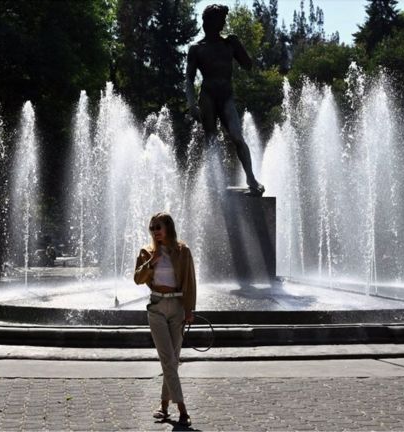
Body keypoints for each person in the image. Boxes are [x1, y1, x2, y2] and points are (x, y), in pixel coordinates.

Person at [186, 3, 265, 196]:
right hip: (207, 96)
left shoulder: (229, 44)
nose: (223, 23)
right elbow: (188, 78)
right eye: (219, 19)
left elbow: (248, 65)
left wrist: (238, 46)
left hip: (226, 95)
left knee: (237, 136)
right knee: (211, 140)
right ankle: (215, 183)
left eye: (223, 19)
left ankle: (251, 178)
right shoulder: (196, 48)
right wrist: (191, 104)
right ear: (208, 22)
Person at [134, 212, 196, 426]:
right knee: (168, 360)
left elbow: (190, 282)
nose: (154, 232)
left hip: (177, 308)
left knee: (172, 361)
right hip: (157, 308)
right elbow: (137, 279)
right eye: (152, 228)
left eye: (158, 227)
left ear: (168, 227)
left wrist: (190, 310)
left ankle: (163, 405)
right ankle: (182, 409)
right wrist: (152, 262)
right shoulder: (146, 252)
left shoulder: (183, 251)